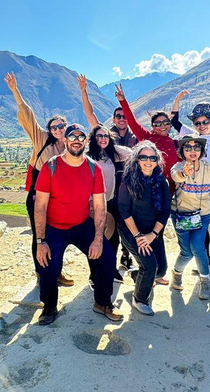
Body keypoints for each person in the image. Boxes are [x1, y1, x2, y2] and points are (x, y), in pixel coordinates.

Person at [34, 124, 123, 325]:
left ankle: (102, 302)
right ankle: (49, 307)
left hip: (81, 224)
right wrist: (41, 240)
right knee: (48, 265)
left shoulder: (93, 168)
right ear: (64, 140)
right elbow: (40, 206)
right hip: (55, 227)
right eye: (71, 136)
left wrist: (99, 239)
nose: (76, 140)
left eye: (80, 137)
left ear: (85, 141)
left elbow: (100, 206)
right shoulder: (51, 166)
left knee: (107, 257)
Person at [5, 71, 74, 287]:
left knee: (58, 236)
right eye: (54, 127)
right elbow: (27, 115)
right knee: (40, 236)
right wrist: (15, 90)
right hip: (38, 198)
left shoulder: (73, 146)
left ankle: (56, 271)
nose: (58, 130)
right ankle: (42, 274)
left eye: (61, 126)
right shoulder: (41, 139)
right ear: (49, 129)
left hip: (60, 199)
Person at [170, 91, 210, 286]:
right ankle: (205, 260)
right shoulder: (192, 138)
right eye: (198, 123)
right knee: (202, 226)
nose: (201, 126)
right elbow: (175, 123)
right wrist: (176, 101)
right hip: (197, 188)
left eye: (205, 122)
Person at [78, 74, 136, 271]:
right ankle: (97, 272)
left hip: (119, 192)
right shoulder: (100, 141)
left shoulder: (129, 139)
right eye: (118, 116)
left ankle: (120, 261)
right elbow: (90, 115)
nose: (121, 119)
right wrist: (84, 92)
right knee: (97, 233)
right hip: (96, 197)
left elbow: (136, 154)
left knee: (117, 230)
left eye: (124, 116)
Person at [170, 136, 210, 300]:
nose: (193, 151)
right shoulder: (178, 166)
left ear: (201, 151)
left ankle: (205, 282)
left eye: (196, 148)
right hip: (182, 214)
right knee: (186, 253)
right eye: (188, 148)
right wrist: (185, 173)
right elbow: (176, 176)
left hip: (202, 215)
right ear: (182, 151)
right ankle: (177, 273)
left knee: (198, 246)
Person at [118, 141, 171, 316]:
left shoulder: (161, 181)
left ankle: (138, 276)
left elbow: (165, 210)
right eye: (144, 157)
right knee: (150, 266)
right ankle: (139, 299)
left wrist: (153, 234)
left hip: (153, 231)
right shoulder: (128, 180)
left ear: (157, 161)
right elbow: (124, 211)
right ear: (137, 160)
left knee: (161, 270)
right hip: (132, 231)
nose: (148, 161)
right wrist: (140, 236)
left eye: (152, 158)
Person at [114, 83, 179, 196]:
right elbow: (133, 123)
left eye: (166, 123)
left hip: (171, 195)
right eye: (158, 124)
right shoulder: (148, 138)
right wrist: (123, 102)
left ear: (170, 125)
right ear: (153, 126)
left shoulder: (176, 144)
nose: (162, 126)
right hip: (148, 193)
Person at [86, 124, 131, 283]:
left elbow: (130, 153)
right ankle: (94, 275)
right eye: (99, 136)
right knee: (94, 240)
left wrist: (111, 145)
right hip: (92, 205)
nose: (103, 139)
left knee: (113, 239)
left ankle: (111, 271)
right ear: (93, 139)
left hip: (110, 202)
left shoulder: (112, 155)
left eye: (106, 136)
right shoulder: (87, 157)